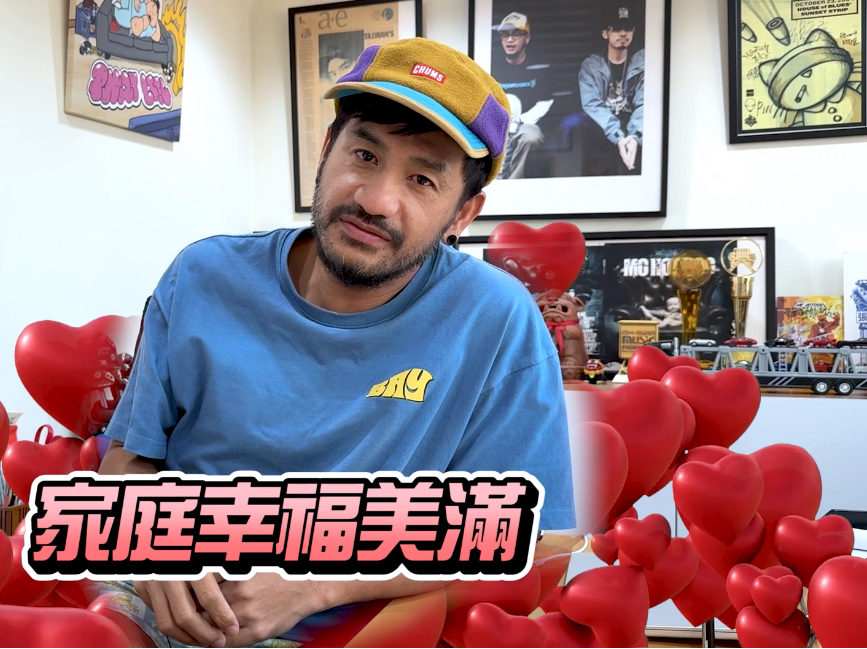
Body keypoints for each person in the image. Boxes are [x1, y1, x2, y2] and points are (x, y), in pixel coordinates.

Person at [99, 37, 576, 648]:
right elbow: (130, 456)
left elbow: (528, 533)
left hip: (362, 631)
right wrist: (151, 545)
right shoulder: (202, 277)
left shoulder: (496, 319)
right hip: (165, 611)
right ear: (327, 150)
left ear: (463, 213)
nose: (374, 200)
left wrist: (315, 584)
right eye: (364, 154)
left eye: (422, 179)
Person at [578, 4, 644, 175]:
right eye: (616, 28)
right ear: (605, 33)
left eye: (628, 28)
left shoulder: (644, 62)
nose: (623, 33)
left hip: (637, 131)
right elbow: (592, 104)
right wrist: (618, 137)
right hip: (601, 135)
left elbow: (645, 103)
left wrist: (635, 136)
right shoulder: (591, 66)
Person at [490, 12, 554, 179]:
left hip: (527, 123)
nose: (510, 40)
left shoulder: (540, 67)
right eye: (505, 35)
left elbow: (546, 102)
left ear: (527, 38)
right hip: (498, 125)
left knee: (530, 137)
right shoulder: (492, 67)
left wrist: (522, 119)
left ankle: (514, 183)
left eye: (516, 34)